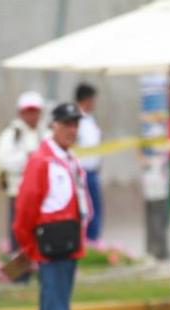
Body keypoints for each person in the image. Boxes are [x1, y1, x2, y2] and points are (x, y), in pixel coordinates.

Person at [13, 103, 100, 310]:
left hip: (65, 241)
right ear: (54, 125)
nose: (71, 130)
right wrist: (29, 246)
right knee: (57, 309)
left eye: (75, 124)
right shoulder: (43, 160)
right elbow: (25, 208)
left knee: (50, 307)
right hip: (51, 244)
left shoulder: (65, 157)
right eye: (66, 124)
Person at [0, 91, 45, 257]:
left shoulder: (45, 133)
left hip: (41, 194)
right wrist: (29, 160)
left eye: (34, 111)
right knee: (19, 233)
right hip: (18, 192)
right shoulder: (12, 134)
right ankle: (19, 274)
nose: (31, 115)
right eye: (28, 111)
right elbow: (2, 160)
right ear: (21, 113)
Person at [75, 83, 104, 242]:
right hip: (82, 172)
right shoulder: (76, 120)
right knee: (87, 211)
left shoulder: (90, 119)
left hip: (93, 171)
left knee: (95, 210)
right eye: (93, 99)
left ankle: (94, 242)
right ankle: (87, 242)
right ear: (86, 99)